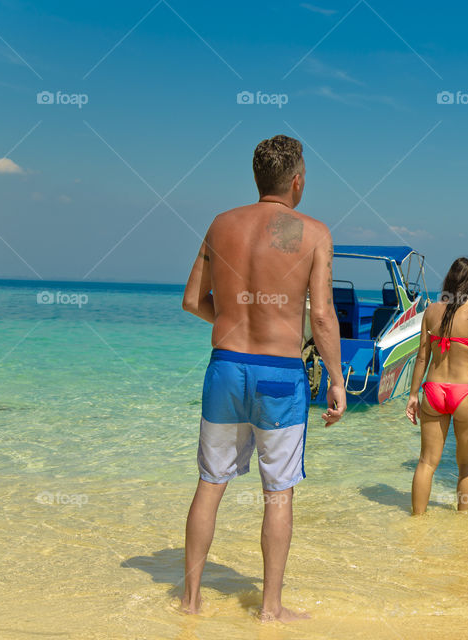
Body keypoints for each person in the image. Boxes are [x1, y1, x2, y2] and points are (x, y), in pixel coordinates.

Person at [179, 135, 346, 622]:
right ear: (296, 180)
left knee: (210, 484)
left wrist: (233, 322)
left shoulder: (221, 224)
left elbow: (192, 301)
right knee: (278, 493)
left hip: (225, 367)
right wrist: (336, 379)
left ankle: (190, 602)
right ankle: (270, 609)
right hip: (279, 376)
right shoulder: (312, 233)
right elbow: (322, 318)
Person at [405, 258, 468, 514]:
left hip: (432, 390)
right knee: (466, 464)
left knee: (426, 462)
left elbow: (422, 357)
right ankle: (462, 525)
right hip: (465, 392)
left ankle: (416, 522)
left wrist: (412, 395)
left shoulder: (431, 311)